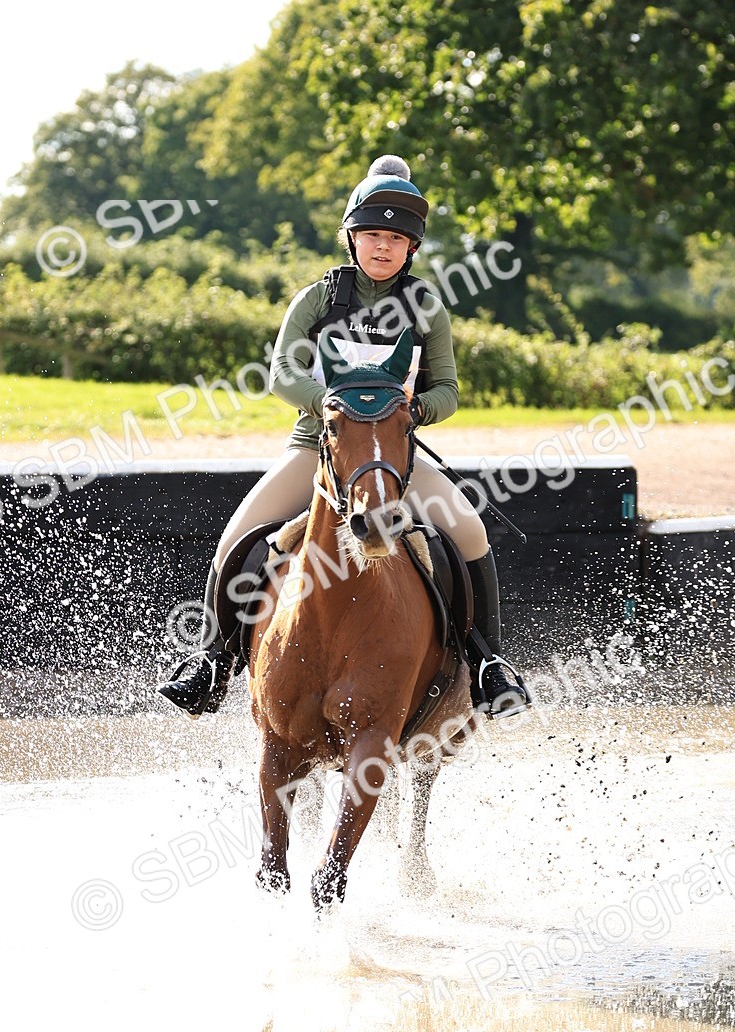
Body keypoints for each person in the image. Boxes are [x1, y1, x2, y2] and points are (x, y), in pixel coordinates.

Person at [157, 155, 529, 719]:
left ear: (412, 248)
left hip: (394, 460)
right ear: (351, 239)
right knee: (235, 539)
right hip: (318, 449)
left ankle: (487, 664)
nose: (383, 247)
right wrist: (323, 404)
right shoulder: (317, 299)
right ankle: (210, 660)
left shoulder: (427, 307)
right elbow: (283, 372)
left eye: (396, 239)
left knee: (470, 531)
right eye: (372, 235)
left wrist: (416, 410)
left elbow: (448, 389)